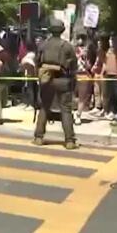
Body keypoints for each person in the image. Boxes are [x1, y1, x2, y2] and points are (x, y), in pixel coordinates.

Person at [34, 18, 79, 150]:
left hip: (47, 80)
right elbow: (74, 66)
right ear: (62, 31)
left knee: (44, 108)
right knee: (66, 110)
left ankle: (38, 137)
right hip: (63, 80)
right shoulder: (67, 46)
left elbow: (37, 62)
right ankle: (69, 141)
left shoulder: (43, 45)